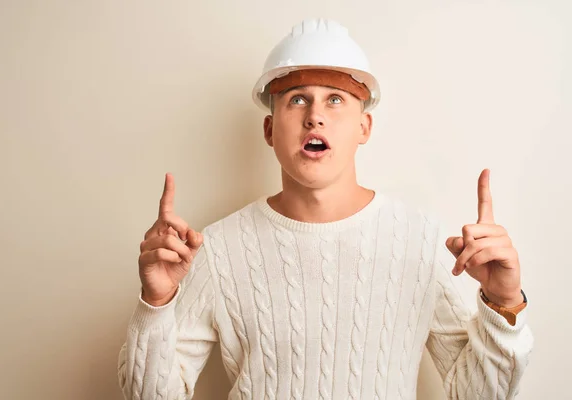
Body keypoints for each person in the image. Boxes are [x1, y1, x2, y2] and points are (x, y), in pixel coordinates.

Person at [118, 18, 533, 399]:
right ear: (269, 128)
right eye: (297, 100)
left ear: (363, 127)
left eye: (335, 100)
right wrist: (156, 302)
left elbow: (480, 394)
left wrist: (503, 302)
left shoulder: (421, 241)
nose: (315, 116)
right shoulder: (219, 249)